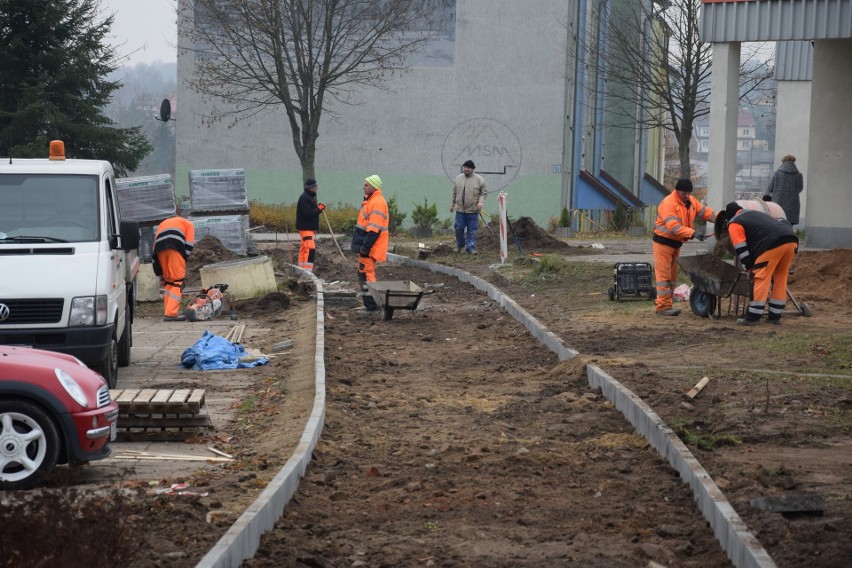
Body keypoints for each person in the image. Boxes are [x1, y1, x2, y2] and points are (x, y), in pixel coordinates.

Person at [724, 202, 799, 326]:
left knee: (761, 277)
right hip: (791, 241)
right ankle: (774, 317)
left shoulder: (735, 222)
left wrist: (749, 266)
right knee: (780, 278)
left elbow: (741, 248)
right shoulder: (754, 214)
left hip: (772, 244)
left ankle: (753, 318)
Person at [652, 178, 717, 316]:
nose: (687, 195)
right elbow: (674, 227)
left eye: (688, 193)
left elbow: (706, 213)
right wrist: (693, 233)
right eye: (684, 193)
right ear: (677, 191)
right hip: (663, 244)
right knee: (664, 276)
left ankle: (666, 304)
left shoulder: (691, 202)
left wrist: (721, 219)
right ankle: (663, 307)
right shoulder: (668, 203)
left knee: (672, 276)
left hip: (675, 244)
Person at [351, 175, 389, 312]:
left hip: (370, 247)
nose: (364, 187)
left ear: (374, 187)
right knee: (364, 274)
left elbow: (374, 230)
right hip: (367, 247)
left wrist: (365, 247)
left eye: (366, 185)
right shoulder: (372, 201)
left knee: (366, 275)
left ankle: (373, 306)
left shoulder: (377, 202)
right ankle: (371, 305)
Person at [152, 215, 196, 321]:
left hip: (159, 251)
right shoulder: (188, 224)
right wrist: (183, 257)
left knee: (169, 282)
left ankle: (168, 310)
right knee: (177, 281)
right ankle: (171, 314)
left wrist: (158, 268)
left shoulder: (163, 223)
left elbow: (154, 245)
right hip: (174, 248)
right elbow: (189, 244)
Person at [450, 159, 487, 254]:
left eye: (468, 168)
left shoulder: (479, 180)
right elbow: (454, 192)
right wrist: (452, 205)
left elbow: (484, 193)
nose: (466, 169)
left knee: (472, 230)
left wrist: (481, 202)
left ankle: (471, 248)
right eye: (465, 167)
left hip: (473, 210)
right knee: (458, 228)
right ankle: (459, 245)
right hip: (460, 210)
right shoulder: (458, 178)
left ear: (473, 169)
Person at [763, 154, 804, 225]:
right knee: (789, 225)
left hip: (778, 204)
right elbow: (800, 189)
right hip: (793, 204)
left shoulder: (777, 173)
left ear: (783, 162)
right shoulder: (798, 175)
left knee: (777, 223)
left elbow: (770, 188)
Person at [296, 178, 325, 272]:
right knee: (310, 249)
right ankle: (308, 271)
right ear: (311, 188)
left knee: (304, 249)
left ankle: (301, 270)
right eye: (315, 187)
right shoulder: (305, 198)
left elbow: (310, 211)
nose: (317, 188)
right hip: (306, 228)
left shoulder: (309, 197)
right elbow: (308, 213)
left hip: (307, 228)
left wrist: (317, 208)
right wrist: (319, 209)